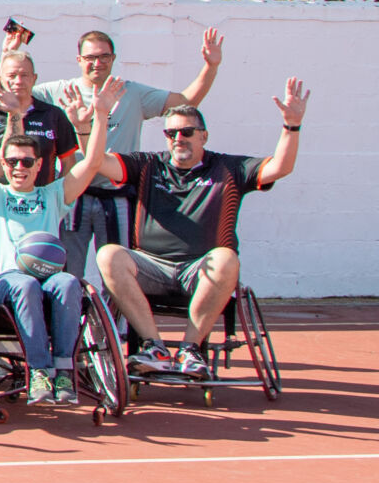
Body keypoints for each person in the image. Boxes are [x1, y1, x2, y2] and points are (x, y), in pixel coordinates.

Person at [93, 80, 308, 378]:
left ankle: (190, 350)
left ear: (203, 135)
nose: (178, 139)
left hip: (201, 271)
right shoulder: (148, 165)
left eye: (186, 132)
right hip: (151, 267)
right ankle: (154, 347)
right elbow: (97, 162)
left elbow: (280, 167)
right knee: (108, 255)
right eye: (171, 133)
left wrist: (291, 126)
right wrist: (99, 117)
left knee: (226, 258)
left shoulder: (229, 168)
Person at [0, 74, 116, 404]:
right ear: (3, 165)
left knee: (68, 282)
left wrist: (101, 116)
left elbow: (92, 163)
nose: (19, 167)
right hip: (5, 282)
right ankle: (38, 371)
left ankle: (63, 372)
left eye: (27, 161)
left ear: (38, 166)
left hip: (48, 277)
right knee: (26, 285)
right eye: (12, 161)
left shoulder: (53, 195)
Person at [33, 25, 223, 271]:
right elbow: (17, 94)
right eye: (90, 57)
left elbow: (186, 101)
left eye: (104, 56)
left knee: (119, 271)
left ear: (113, 58)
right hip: (74, 196)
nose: (97, 63)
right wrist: (10, 50)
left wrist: (211, 66)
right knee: (67, 272)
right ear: (79, 60)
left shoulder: (131, 93)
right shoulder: (58, 91)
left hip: (118, 196)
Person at [0, 50, 79, 190]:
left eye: (24, 75)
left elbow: (69, 163)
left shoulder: (53, 115)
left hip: (42, 201)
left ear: (34, 78)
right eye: (12, 76)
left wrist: (57, 196)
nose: (18, 81)